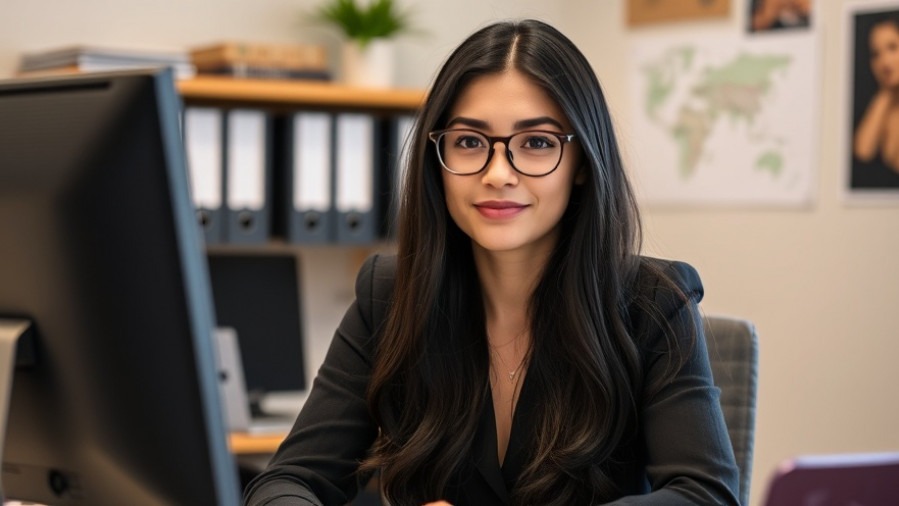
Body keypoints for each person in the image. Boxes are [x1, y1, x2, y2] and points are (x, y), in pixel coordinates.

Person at [244, 19, 739, 505]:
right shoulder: (390, 295)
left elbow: (705, 495)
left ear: (583, 162)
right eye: (469, 142)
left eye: (538, 142)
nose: (498, 173)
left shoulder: (654, 301)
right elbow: (287, 482)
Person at [853, 15, 899, 174]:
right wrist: (886, 93)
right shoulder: (883, 101)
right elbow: (863, 152)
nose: (885, 62)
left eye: (893, 48)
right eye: (876, 54)